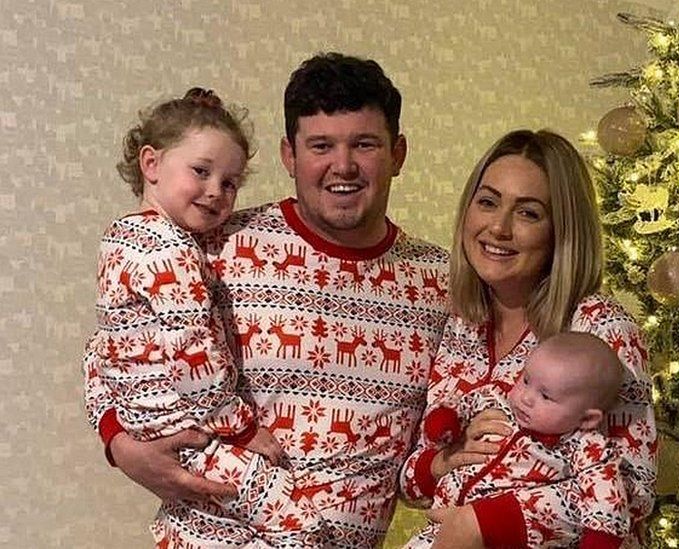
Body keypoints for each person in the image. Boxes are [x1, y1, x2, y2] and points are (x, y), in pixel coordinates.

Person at [84, 53, 452, 547]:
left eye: (364, 144)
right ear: (289, 155)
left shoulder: (444, 282)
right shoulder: (213, 241)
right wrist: (121, 445)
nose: (342, 165)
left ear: (398, 153)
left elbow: (440, 441)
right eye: (321, 145)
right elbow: (111, 349)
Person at [83, 86, 335, 542]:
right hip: (192, 434)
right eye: (201, 171)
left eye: (230, 182)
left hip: (153, 425)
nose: (215, 192)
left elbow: (100, 349)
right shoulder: (171, 251)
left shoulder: (119, 237)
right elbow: (194, 352)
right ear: (151, 163)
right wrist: (242, 429)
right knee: (305, 531)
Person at [399, 129, 657, 548]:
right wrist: (447, 458)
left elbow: (632, 493)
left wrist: (482, 523)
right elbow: (412, 483)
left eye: (528, 213)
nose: (498, 227)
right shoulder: (460, 324)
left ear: (562, 232)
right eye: (487, 202)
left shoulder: (601, 330)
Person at [406, 331, 630, 548]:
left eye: (545, 396)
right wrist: (446, 422)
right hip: (438, 531)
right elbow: (460, 405)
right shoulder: (497, 398)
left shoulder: (587, 448)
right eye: (526, 380)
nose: (526, 397)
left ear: (587, 418)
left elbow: (608, 507)